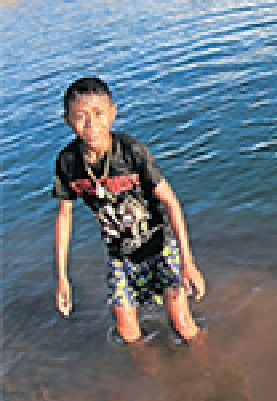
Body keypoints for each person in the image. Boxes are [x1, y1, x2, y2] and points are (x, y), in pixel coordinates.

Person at [52, 76, 206, 343]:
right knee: (127, 331)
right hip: (119, 252)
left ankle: (206, 368)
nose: (91, 125)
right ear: (67, 119)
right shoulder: (68, 162)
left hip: (159, 242)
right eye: (80, 117)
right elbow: (64, 216)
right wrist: (62, 278)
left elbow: (170, 201)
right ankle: (149, 377)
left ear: (113, 113)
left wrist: (187, 261)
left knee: (181, 322)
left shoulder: (131, 152)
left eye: (99, 114)